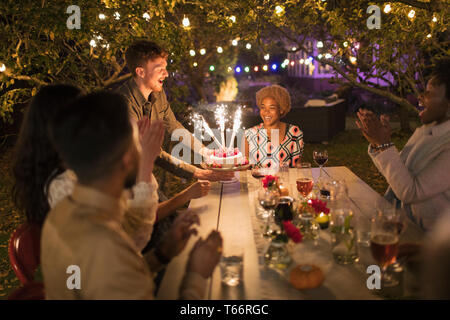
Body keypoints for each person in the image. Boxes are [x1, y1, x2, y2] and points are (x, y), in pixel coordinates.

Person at [42, 91, 222, 299]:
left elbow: (108, 278)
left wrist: (162, 254)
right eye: (138, 143)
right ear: (125, 159)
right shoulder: (104, 241)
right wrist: (197, 275)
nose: (145, 152)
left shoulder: (64, 211)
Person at [117, 40, 233, 182]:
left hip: (142, 172)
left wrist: (205, 152)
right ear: (140, 72)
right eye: (160, 69)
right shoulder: (123, 104)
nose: (166, 74)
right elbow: (153, 152)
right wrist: (197, 172)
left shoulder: (158, 94)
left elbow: (173, 126)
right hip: (120, 180)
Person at [356, 58, 450, 231]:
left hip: (427, 241)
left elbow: (411, 192)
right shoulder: (427, 131)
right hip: (402, 225)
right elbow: (399, 175)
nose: (420, 98)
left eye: (429, 94)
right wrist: (379, 143)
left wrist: (384, 144)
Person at [243, 84, 304, 168]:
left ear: (281, 110)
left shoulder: (294, 132)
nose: (266, 112)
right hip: (257, 180)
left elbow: (298, 167)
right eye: (263, 107)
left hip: (286, 180)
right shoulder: (249, 134)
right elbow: (243, 168)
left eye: (272, 108)